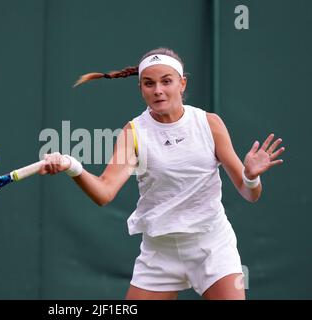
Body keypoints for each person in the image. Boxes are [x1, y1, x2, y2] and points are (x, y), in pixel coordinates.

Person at [38, 48, 285, 300]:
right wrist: (72, 166)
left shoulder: (209, 124)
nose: (158, 90)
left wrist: (251, 177)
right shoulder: (133, 133)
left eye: (166, 81)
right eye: (149, 83)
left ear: (182, 83)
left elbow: (249, 193)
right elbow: (104, 192)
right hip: (159, 253)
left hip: (212, 246)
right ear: (141, 88)